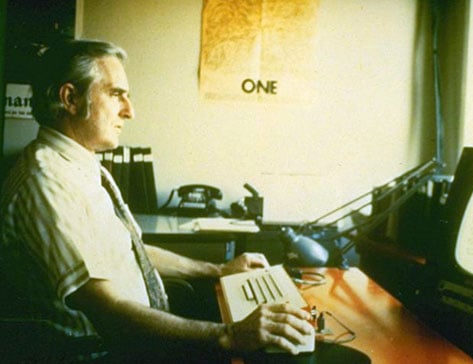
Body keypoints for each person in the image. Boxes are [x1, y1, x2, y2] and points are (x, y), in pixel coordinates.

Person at [0, 39, 313, 363]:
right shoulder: (48, 182)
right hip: (102, 353)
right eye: (116, 93)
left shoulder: (77, 165)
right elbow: (110, 311)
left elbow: (129, 249)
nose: (130, 111)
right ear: (71, 98)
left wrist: (218, 269)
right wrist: (229, 335)